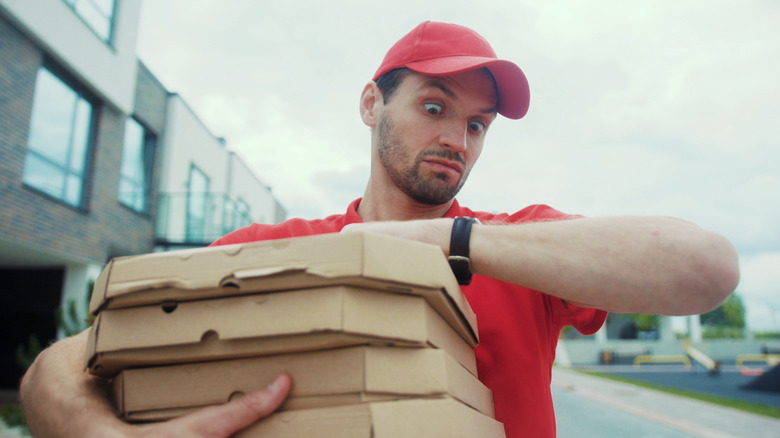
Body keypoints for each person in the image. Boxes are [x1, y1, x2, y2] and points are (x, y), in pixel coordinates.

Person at [20, 21, 739, 438]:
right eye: (434, 106)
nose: (459, 136)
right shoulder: (276, 249)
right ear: (372, 104)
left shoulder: (520, 248)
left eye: (478, 124)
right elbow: (58, 369)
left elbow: (708, 269)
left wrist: (450, 242)